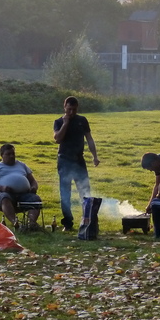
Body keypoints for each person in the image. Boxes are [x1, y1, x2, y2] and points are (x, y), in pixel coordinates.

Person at [53, 96, 100, 232]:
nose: (72, 112)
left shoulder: (82, 120)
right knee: (65, 193)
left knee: (85, 191)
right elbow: (58, 139)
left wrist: (95, 156)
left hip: (79, 160)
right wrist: (66, 123)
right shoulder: (58, 122)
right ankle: (68, 223)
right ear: (64, 107)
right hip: (64, 161)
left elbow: (89, 139)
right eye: (69, 109)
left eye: (74, 109)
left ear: (77, 108)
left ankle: (89, 221)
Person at [0, 144, 42, 229]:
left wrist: (34, 187)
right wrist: (2, 188)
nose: (11, 156)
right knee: (4, 198)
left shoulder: (21, 165)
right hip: (4, 193)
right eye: (8, 154)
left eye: (13, 154)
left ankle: (31, 224)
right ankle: (16, 224)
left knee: (35, 199)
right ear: (2, 155)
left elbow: (33, 181)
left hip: (23, 194)